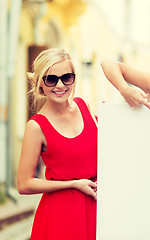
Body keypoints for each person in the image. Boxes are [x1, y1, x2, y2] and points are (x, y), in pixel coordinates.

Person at [17, 48, 97, 240]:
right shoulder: (36, 126)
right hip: (60, 216)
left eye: (66, 77)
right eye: (51, 79)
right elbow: (24, 184)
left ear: (74, 79)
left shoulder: (84, 106)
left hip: (96, 208)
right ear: (40, 84)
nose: (60, 85)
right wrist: (74, 184)